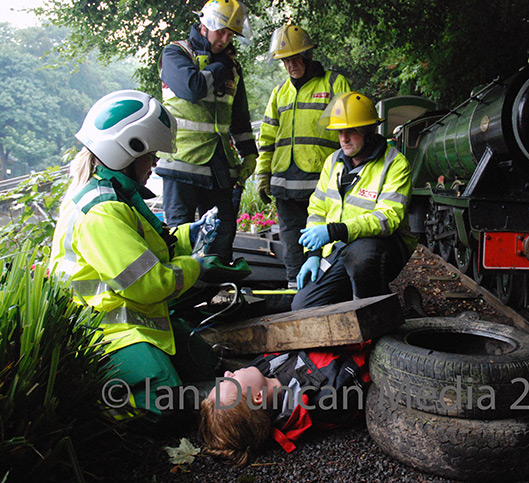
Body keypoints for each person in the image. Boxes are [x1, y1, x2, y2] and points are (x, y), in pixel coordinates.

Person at [50, 90, 246, 421]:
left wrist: (190, 234)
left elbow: (153, 248)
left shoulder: (114, 195)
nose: (155, 163)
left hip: (138, 324)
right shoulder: (102, 211)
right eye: (152, 154)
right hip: (106, 336)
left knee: (204, 364)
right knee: (167, 404)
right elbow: (146, 283)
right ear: (129, 150)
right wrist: (196, 268)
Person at [290, 92, 417, 310]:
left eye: (352, 131)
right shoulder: (333, 162)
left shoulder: (394, 163)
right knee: (303, 306)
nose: (344, 138)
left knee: (362, 257)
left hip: (383, 248)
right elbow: (317, 210)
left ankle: (375, 315)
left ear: (369, 130)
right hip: (339, 248)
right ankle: (380, 301)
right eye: (340, 131)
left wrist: (335, 231)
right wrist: (313, 255)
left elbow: (387, 219)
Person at [156, 0, 258, 263]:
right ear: (205, 25)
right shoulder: (176, 53)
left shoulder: (232, 67)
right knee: (179, 239)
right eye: (221, 31)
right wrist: (219, 66)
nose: (225, 39)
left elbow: (239, 116)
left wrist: (249, 154)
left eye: (230, 34)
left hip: (219, 167)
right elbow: (193, 88)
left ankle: (220, 297)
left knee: (222, 238)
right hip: (181, 166)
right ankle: (182, 300)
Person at [256, 25, 351, 288]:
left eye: (295, 58)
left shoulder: (334, 84)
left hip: (323, 184)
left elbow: (351, 130)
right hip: (285, 185)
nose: (290, 65)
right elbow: (267, 139)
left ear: (307, 56)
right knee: (291, 244)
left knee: (328, 242)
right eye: (285, 60)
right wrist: (263, 175)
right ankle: (295, 294)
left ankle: (328, 293)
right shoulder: (279, 93)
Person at [199, 343, 371, 465]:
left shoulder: (262, 369)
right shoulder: (327, 397)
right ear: (257, 397)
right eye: (230, 380)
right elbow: (370, 355)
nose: (228, 372)